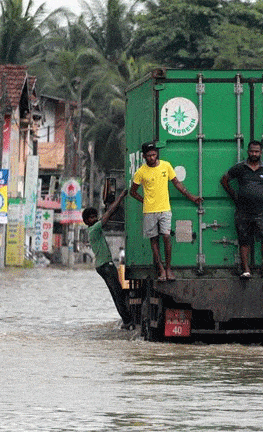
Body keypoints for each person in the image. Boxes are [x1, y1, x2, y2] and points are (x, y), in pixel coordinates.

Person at [130, 141, 203, 281]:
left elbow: (177, 184)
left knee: (166, 237)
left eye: (153, 154)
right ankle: (161, 270)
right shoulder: (141, 172)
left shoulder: (166, 166)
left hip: (165, 209)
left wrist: (192, 197)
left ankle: (169, 269)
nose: (152, 157)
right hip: (149, 211)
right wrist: (144, 200)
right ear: (144, 156)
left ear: (156, 153)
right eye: (149, 155)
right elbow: (132, 192)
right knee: (154, 240)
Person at [220, 140, 263, 279]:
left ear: (261, 153)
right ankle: (246, 270)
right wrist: (234, 196)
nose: (254, 154)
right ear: (248, 152)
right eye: (252, 151)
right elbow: (224, 180)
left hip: (261, 211)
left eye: (257, 151)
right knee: (244, 240)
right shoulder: (240, 168)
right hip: (243, 211)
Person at [82, 189, 133, 329]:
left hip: (102, 265)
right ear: (86, 221)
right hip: (106, 265)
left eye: (95, 216)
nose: (94, 219)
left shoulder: (93, 229)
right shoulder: (94, 229)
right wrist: (121, 196)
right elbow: (109, 214)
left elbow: (106, 215)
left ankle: (126, 320)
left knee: (117, 292)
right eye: (91, 218)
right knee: (118, 293)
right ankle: (128, 321)